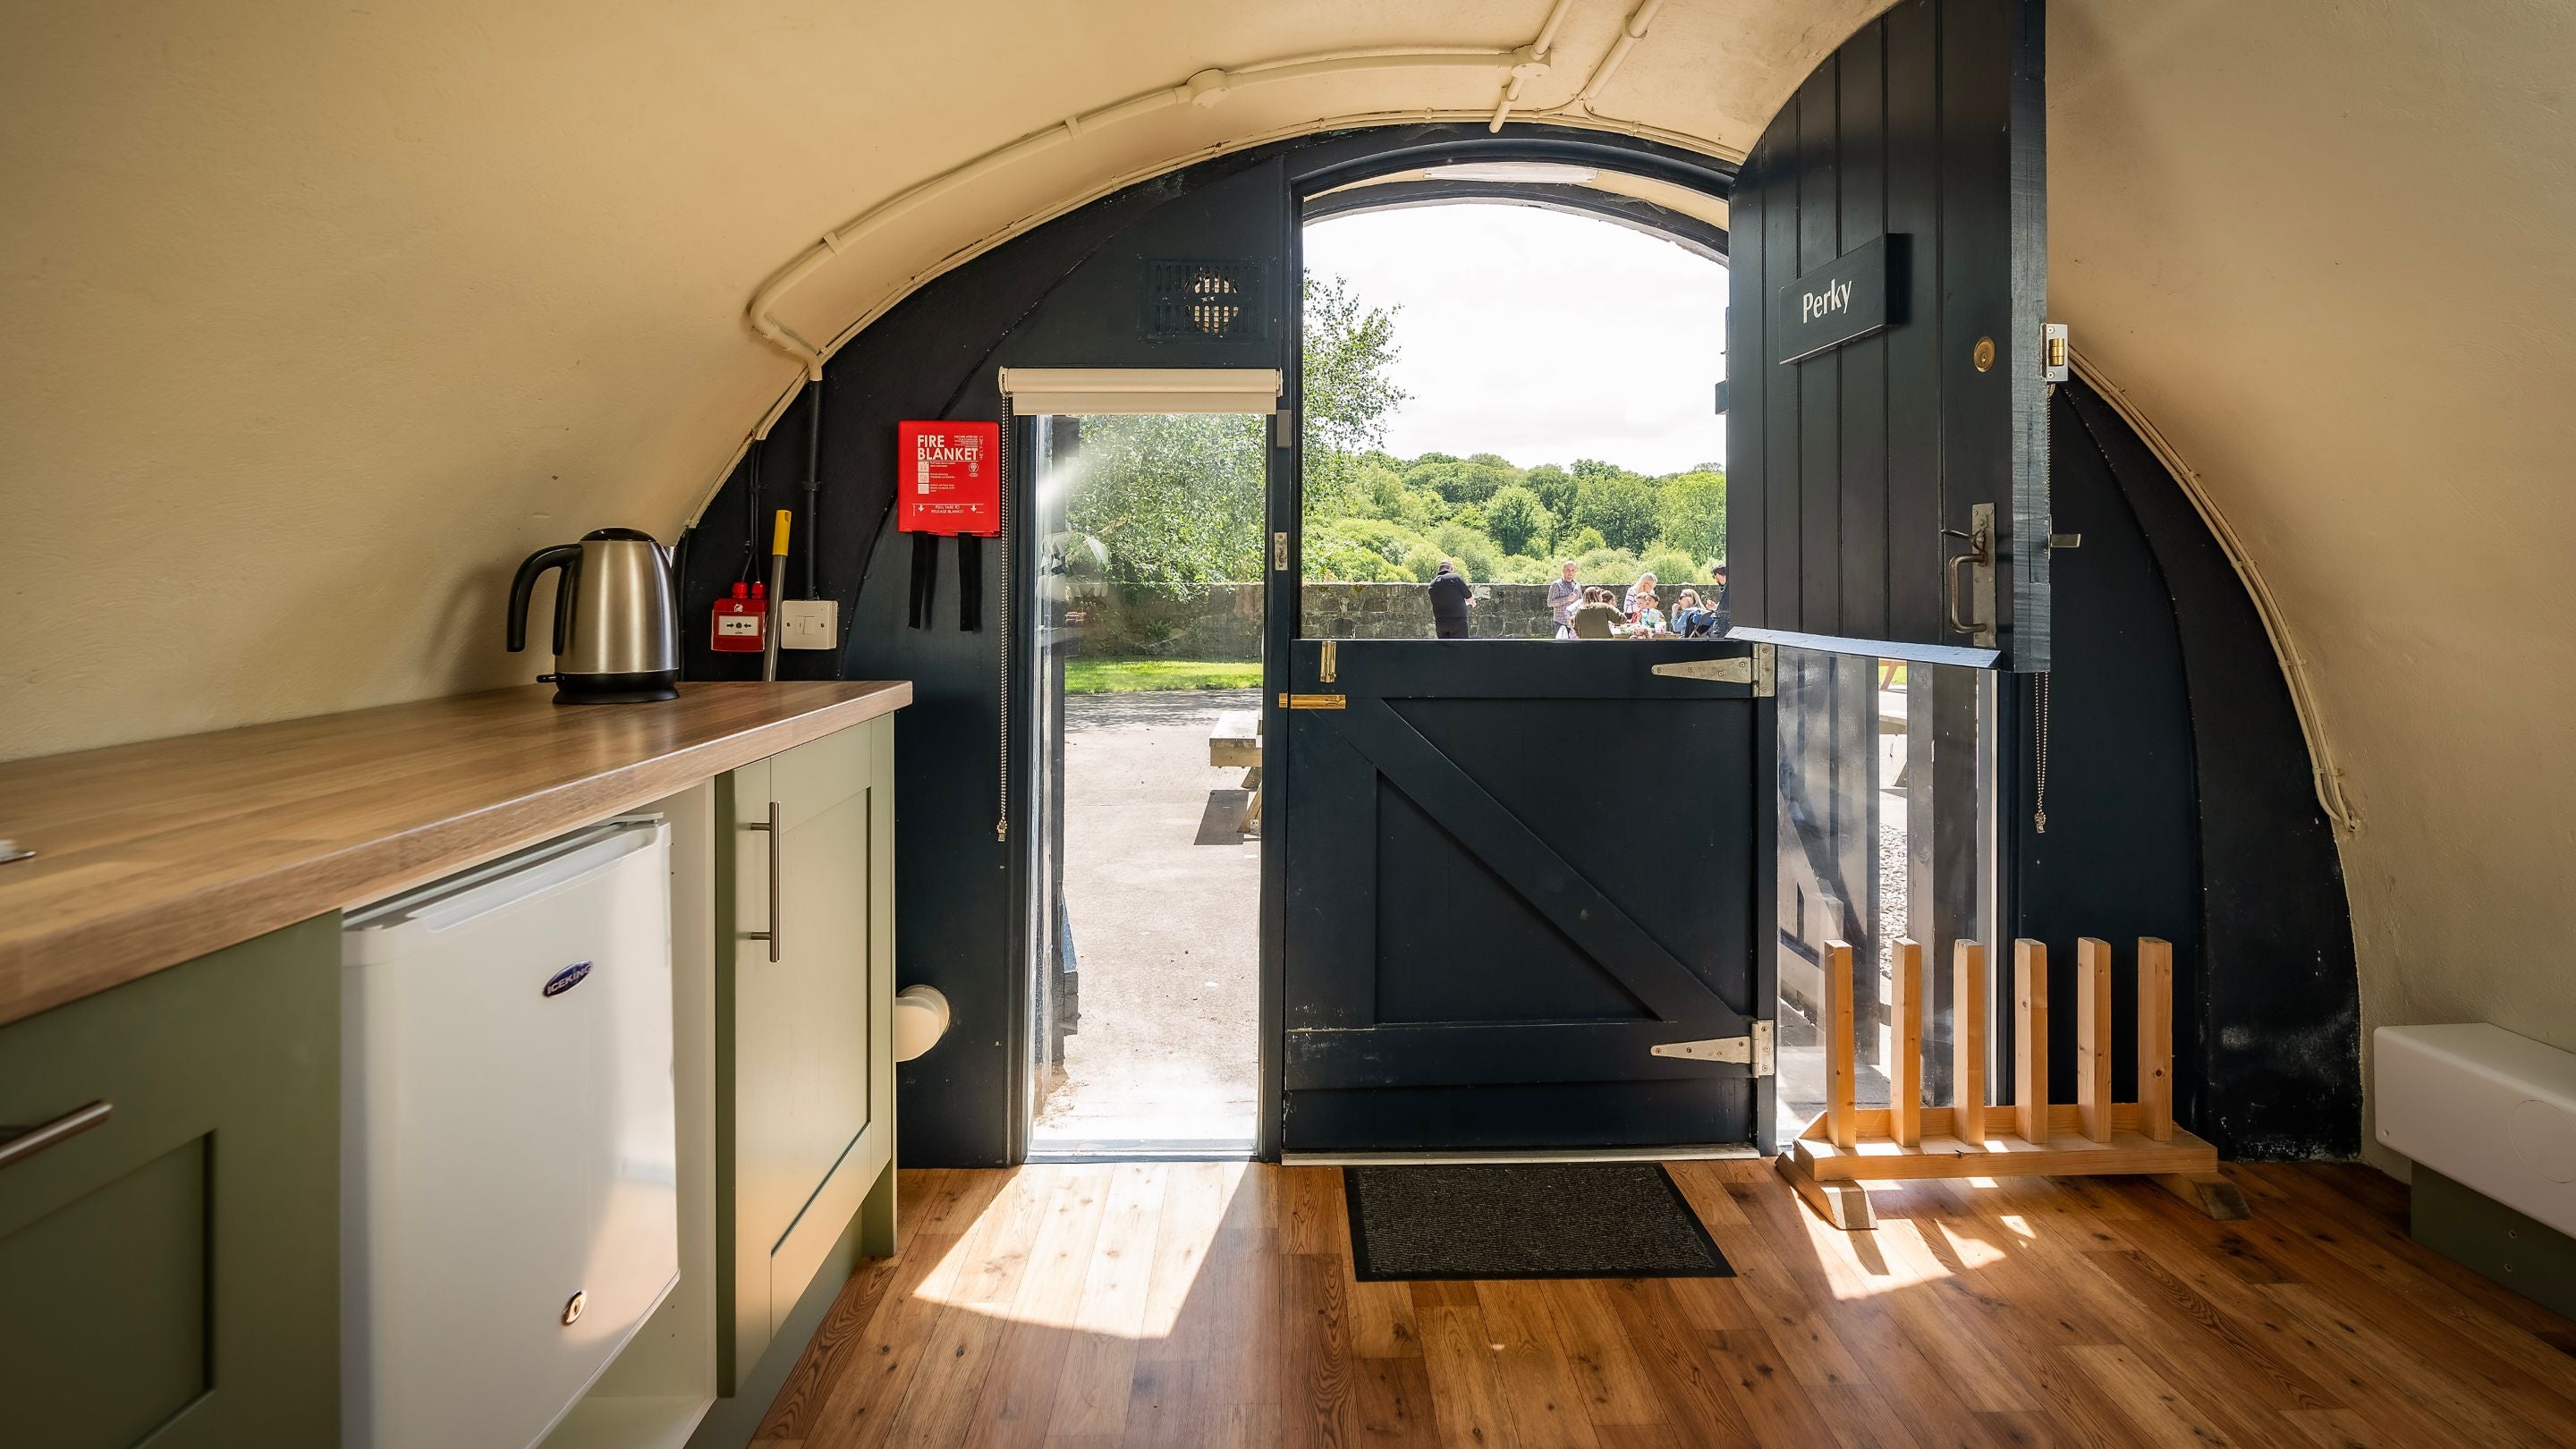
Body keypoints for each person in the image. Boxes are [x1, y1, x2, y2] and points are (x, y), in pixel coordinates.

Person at [1427, 558, 1473, 640]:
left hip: (1441, 624)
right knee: (1461, 647)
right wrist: (1472, 603)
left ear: (1440, 569)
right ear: (1451, 568)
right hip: (1458, 622)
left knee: (1445, 647)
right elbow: (1469, 597)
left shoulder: (1432, 584)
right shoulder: (1455, 578)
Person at [1545, 561, 1581, 639]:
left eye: (1573, 570)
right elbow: (1550, 602)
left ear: (1575, 571)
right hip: (1561, 622)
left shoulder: (1577, 585)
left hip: (1575, 623)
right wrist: (1567, 599)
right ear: (1563, 570)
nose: (1570, 572)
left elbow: (1580, 602)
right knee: (1562, 644)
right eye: (1568, 570)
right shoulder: (1556, 584)